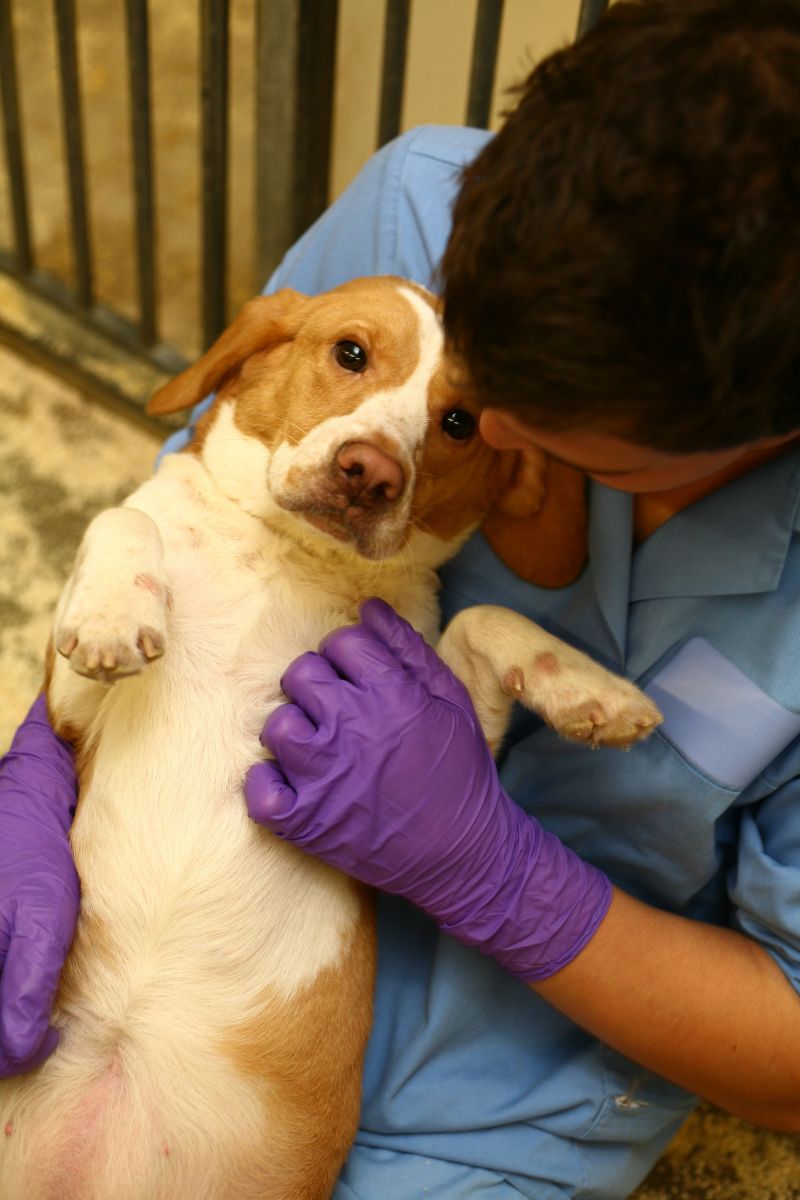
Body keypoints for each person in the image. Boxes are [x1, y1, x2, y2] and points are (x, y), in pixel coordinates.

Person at [3, 0, 800, 1195]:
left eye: (499, 424)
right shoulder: (419, 201)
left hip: (493, 1108)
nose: (462, 438)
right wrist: (46, 755)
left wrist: (494, 874)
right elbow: (226, 462)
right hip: (103, 956)